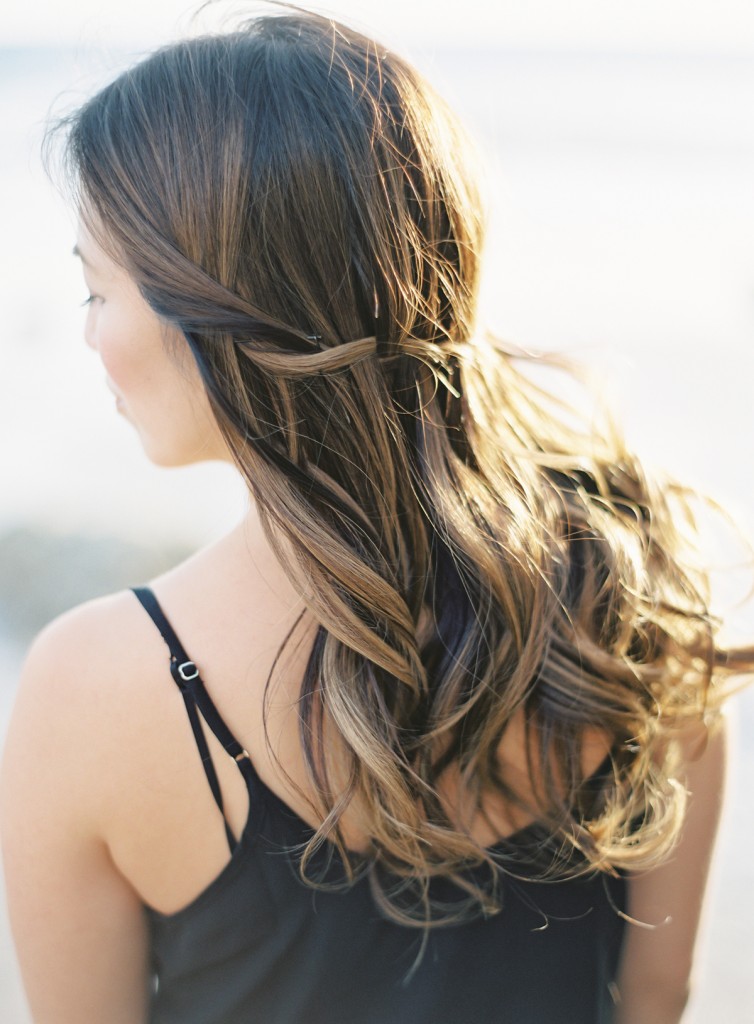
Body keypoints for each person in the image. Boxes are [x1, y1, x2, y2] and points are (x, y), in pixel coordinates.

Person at [1, 7, 751, 1023]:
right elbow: (654, 995)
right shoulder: (633, 595)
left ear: (218, 308)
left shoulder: (92, 689)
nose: (88, 337)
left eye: (98, 290)